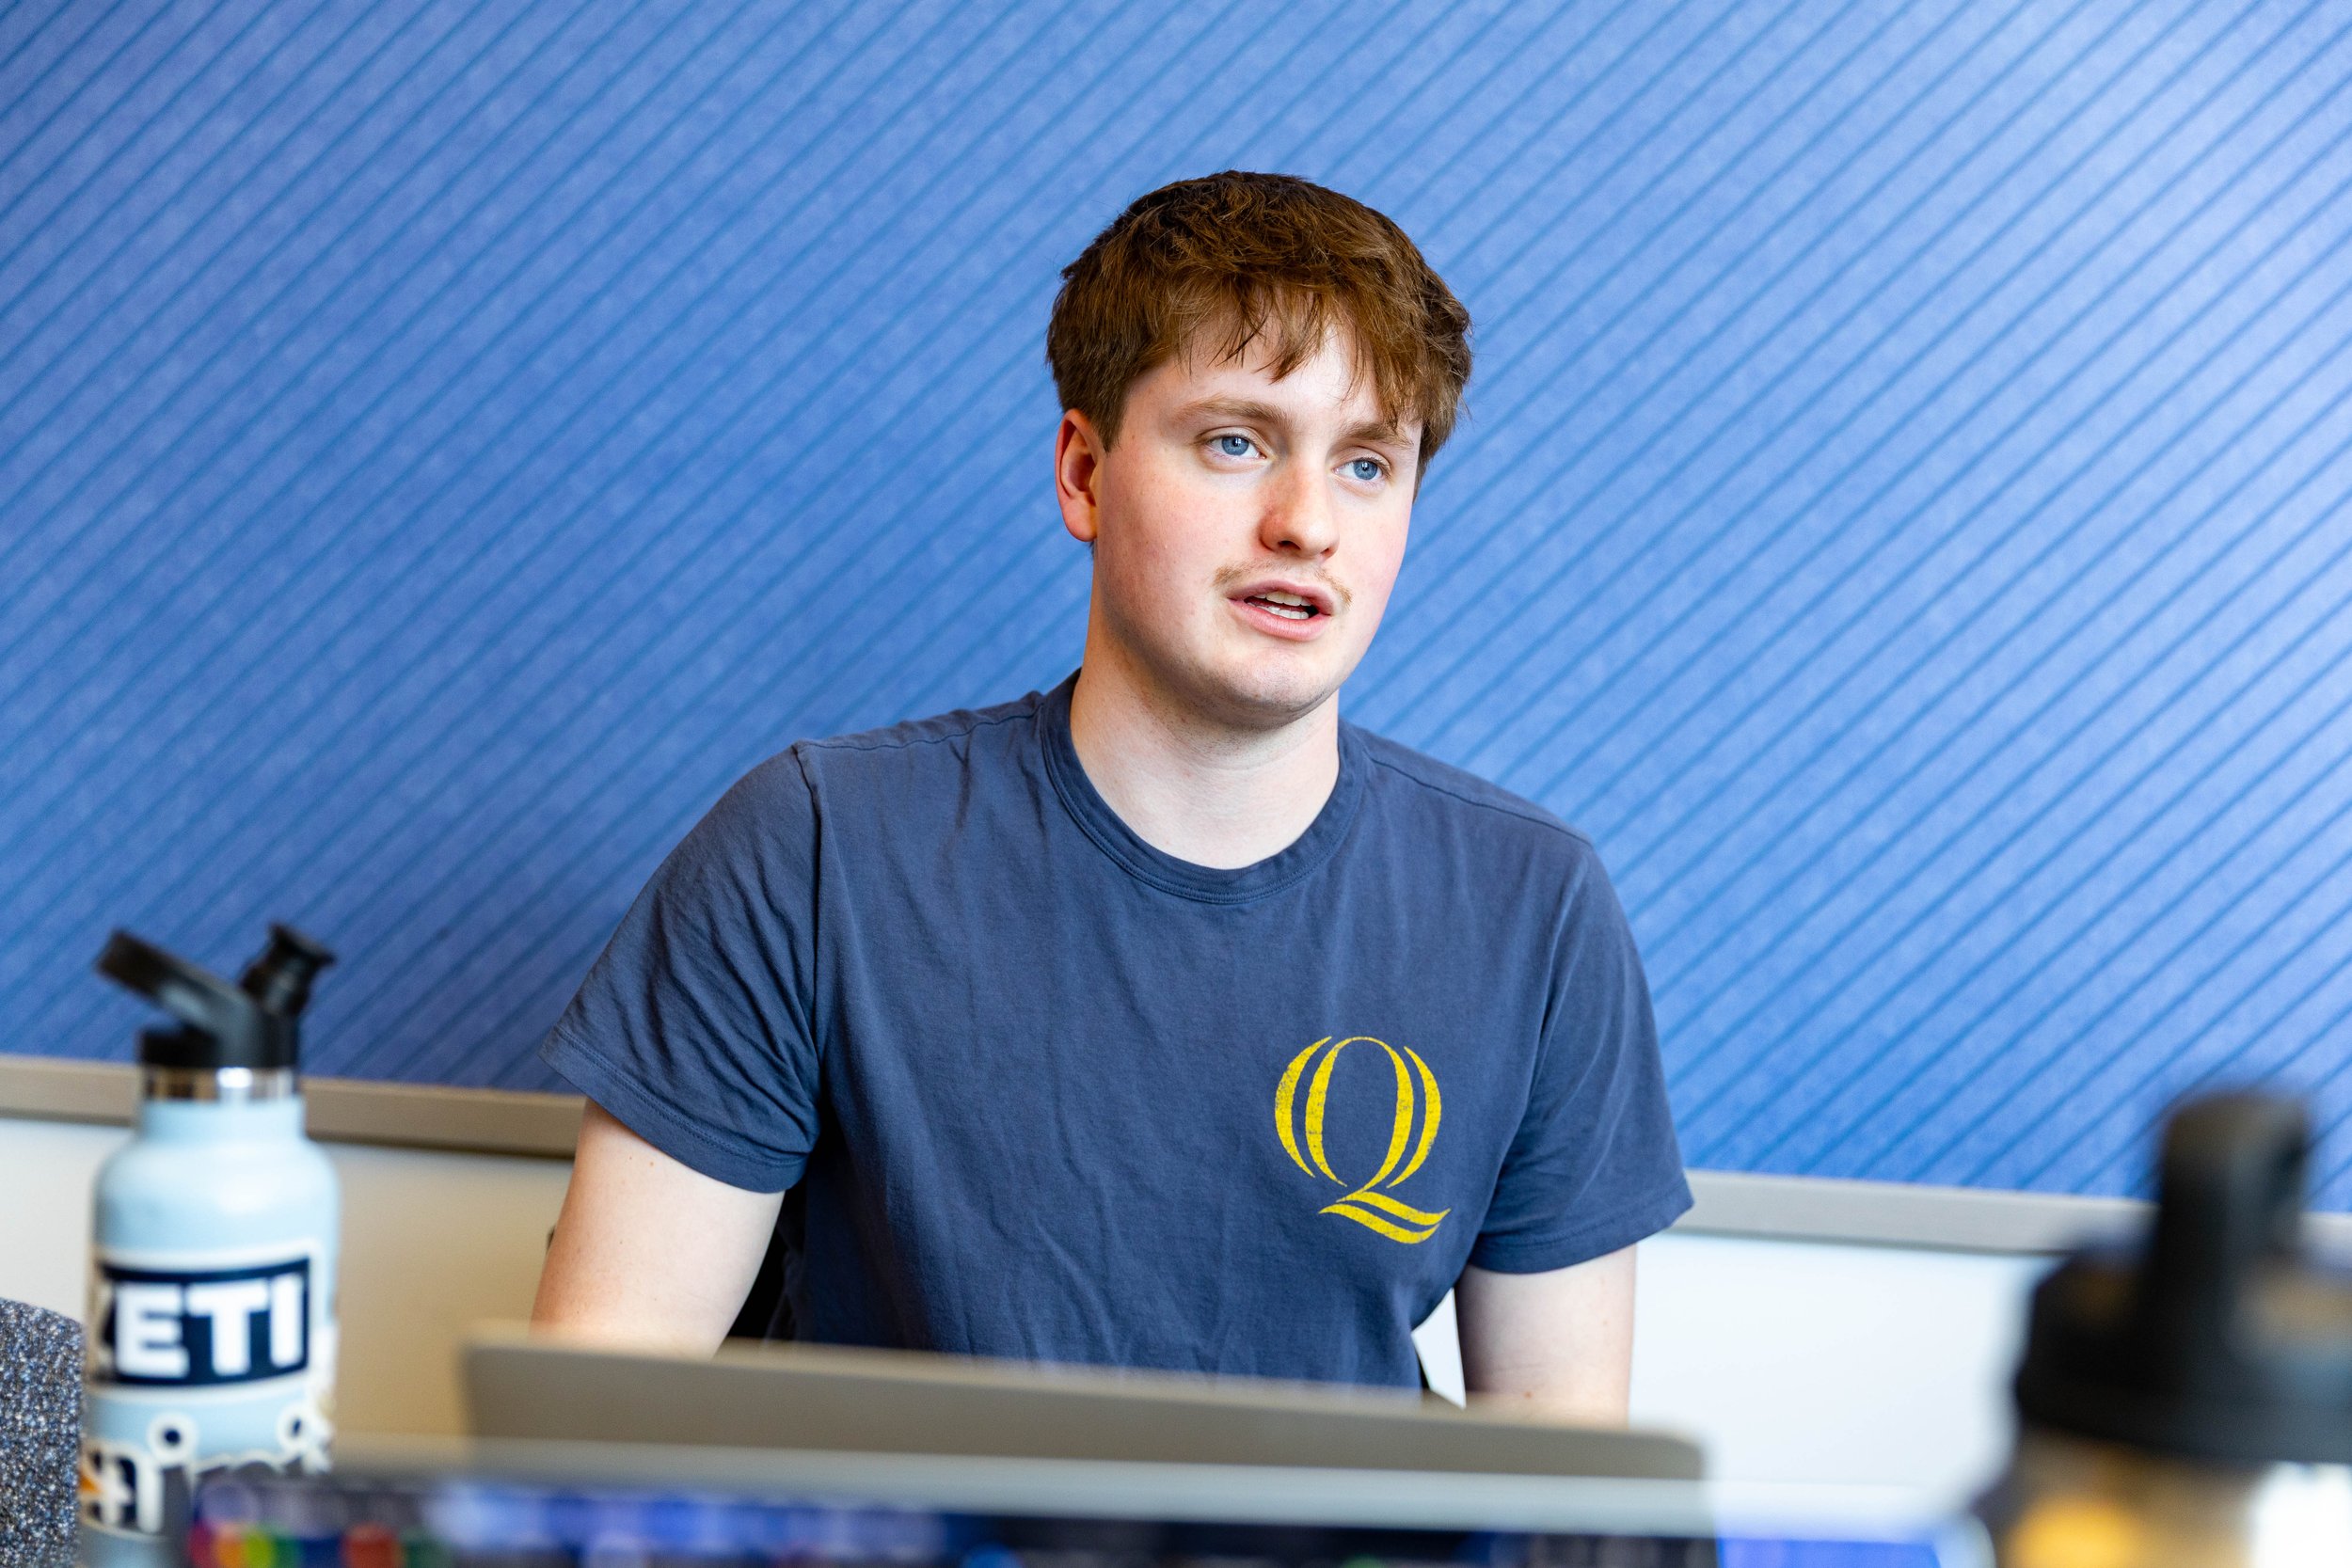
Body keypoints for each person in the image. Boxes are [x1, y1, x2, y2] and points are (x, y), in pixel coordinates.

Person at [530, 170, 1689, 1422]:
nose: (1307, 523)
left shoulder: (1535, 907)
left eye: (1366, 463)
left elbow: (1565, 1484)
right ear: (1085, 473)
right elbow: (595, 1422)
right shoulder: (811, 850)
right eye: (1236, 442)